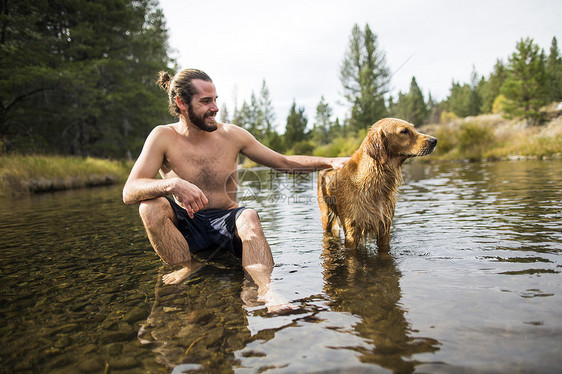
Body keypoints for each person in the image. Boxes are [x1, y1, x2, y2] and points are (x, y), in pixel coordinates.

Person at [122, 68, 347, 310]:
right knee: (150, 207)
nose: (215, 107)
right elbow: (130, 191)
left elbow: (283, 162)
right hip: (187, 224)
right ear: (181, 103)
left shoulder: (231, 134)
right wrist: (172, 183)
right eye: (206, 101)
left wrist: (330, 161)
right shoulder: (163, 136)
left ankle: (266, 291)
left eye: (215, 99)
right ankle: (184, 266)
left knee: (249, 215)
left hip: (226, 223)